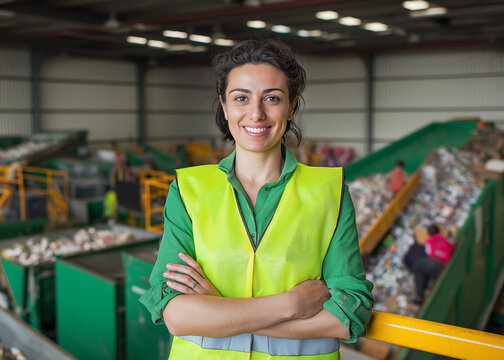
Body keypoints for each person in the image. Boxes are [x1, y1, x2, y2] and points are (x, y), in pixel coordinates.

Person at [139, 39, 373, 359]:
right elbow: (175, 315)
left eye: (272, 98)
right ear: (224, 106)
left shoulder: (329, 192)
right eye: (241, 98)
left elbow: (348, 316)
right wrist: (289, 305)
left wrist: (219, 309)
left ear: (291, 107)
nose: (256, 114)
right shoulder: (188, 190)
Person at [403, 225, 453, 304]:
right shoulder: (441, 238)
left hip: (424, 265)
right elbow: (451, 247)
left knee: (419, 275)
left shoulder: (427, 242)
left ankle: (420, 296)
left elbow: (429, 253)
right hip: (439, 263)